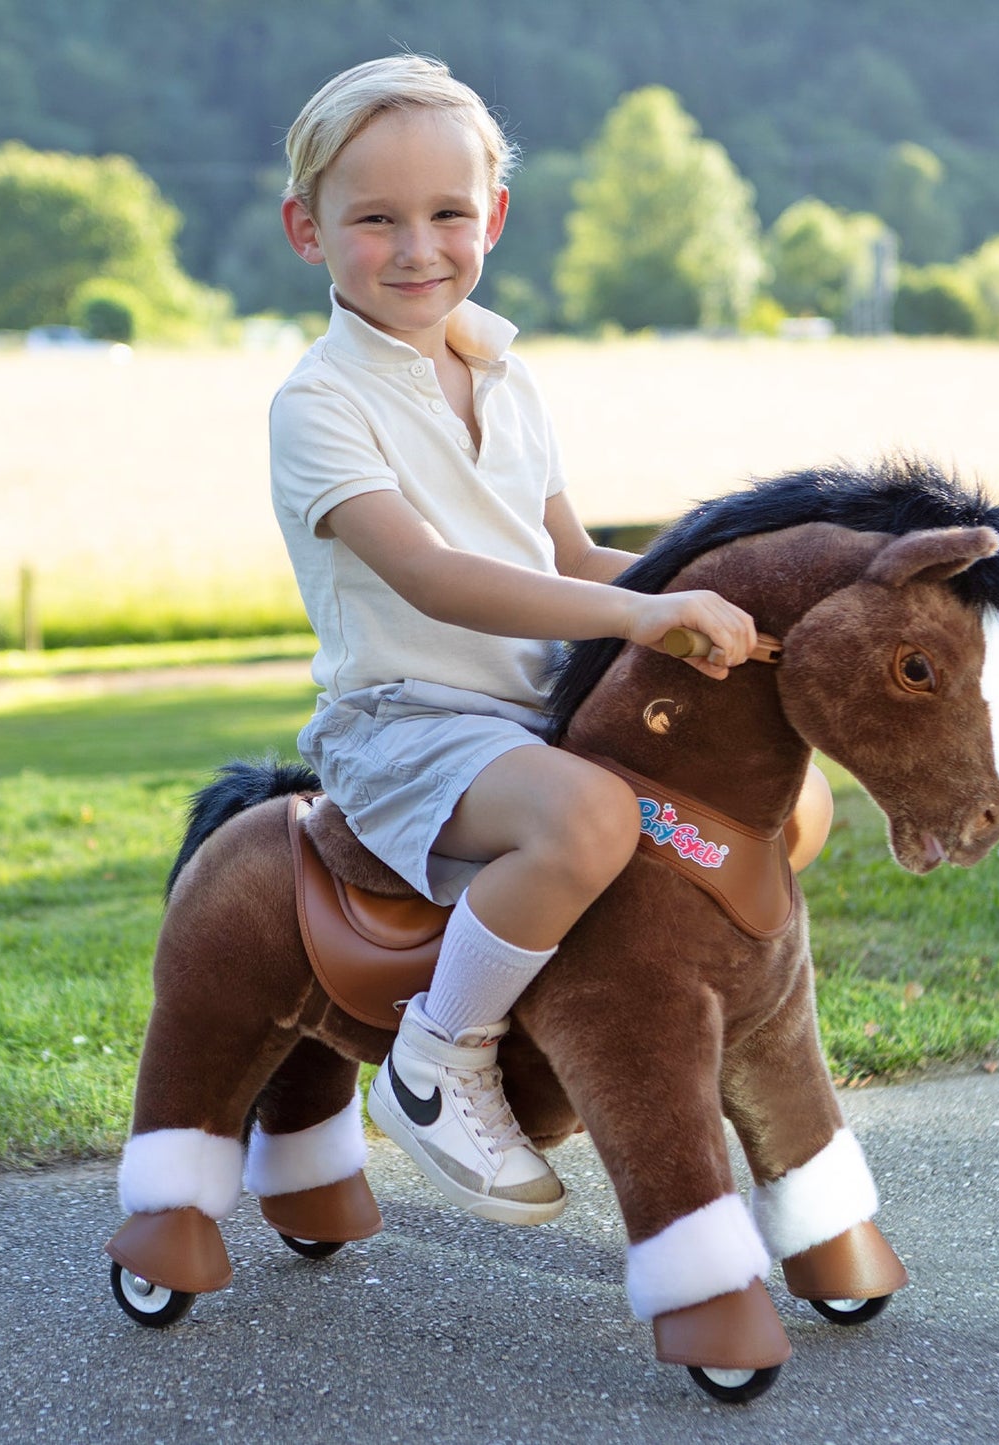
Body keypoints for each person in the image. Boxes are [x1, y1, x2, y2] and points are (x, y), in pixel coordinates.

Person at [270, 54, 758, 1227]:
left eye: (446, 213)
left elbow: (569, 556)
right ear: (307, 229)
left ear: (491, 215)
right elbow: (436, 577)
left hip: (526, 711)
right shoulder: (319, 402)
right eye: (373, 218)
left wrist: (714, 588)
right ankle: (439, 1053)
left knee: (738, 797)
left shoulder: (505, 372)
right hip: (406, 718)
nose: (416, 247)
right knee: (586, 814)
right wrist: (639, 616)